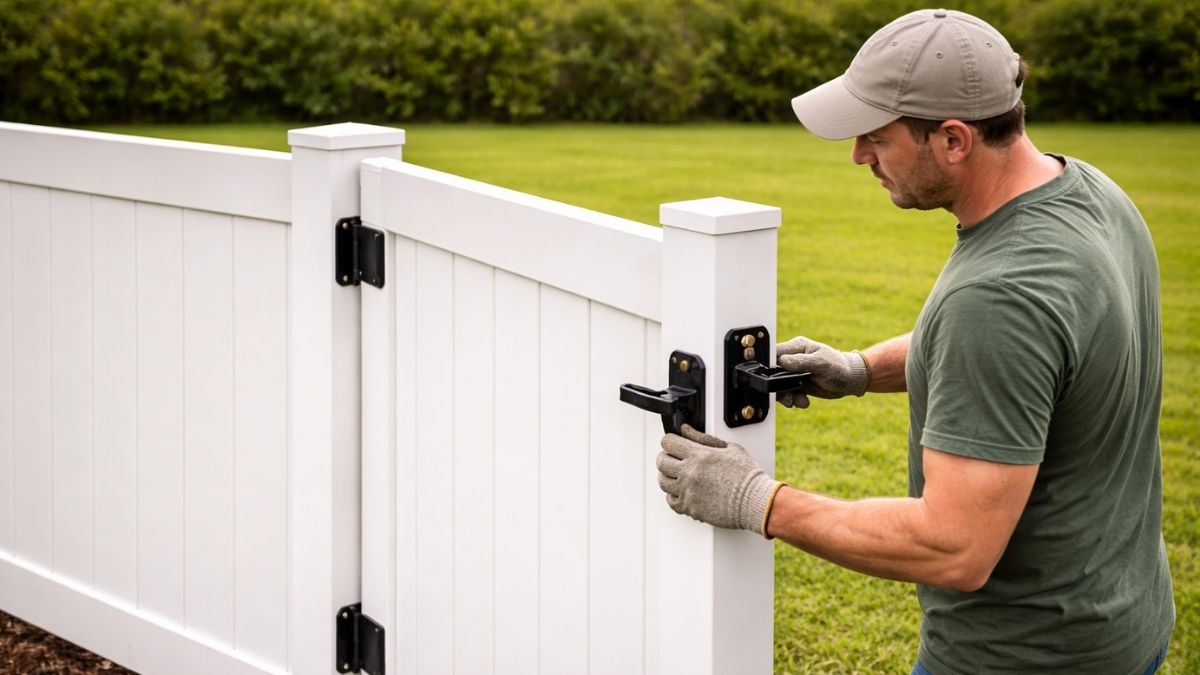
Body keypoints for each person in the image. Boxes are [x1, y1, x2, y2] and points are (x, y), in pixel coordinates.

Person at [655, 8, 1174, 674]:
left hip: (1023, 656)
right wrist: (859, 369)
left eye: (876, 136)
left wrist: (758, 499)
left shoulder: (997, 296)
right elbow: (1032, 355)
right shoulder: (1089, 193)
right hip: (1122, 622)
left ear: (954, 140)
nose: (858, 155)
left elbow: (953, 547)